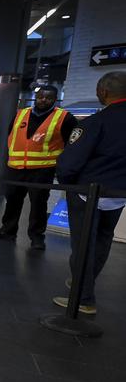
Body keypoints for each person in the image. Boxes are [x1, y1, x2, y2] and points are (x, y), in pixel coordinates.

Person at [52, 71, 126, 314]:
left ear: (103, 92)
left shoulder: (95, 122)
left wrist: (68, 183)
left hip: (88, 192)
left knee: (83, 243)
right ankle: (84, 281)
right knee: (103, 240)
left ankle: (83, 298)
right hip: (118, 195)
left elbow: (70, 163)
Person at [0, 86, 77, 250]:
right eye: (41, 96)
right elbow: (11, 135)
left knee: (38, 204)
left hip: (42, 170)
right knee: (12, 201)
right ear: (37, 96)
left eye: (48, 98)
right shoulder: (21, 114)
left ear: (55, 99)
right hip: (15, 167)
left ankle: (37, 237)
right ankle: (7, 231)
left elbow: (72, 144)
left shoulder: (64, 118)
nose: (43, 100)